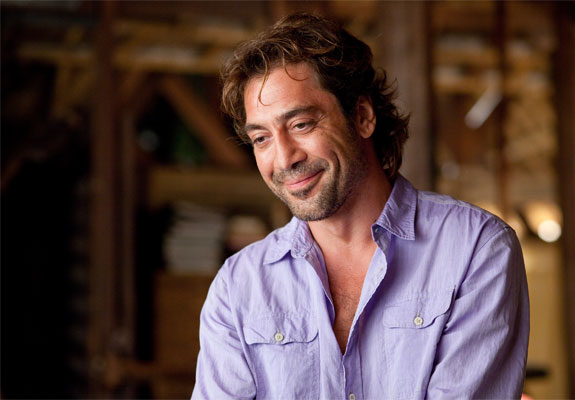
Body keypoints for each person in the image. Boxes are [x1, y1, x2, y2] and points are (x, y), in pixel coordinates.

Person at [192, 13, 529, 400]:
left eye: (301, 124)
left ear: (363, 117)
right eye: (262, 138)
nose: (283, 159)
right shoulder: (238, 286)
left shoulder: (476, 249)